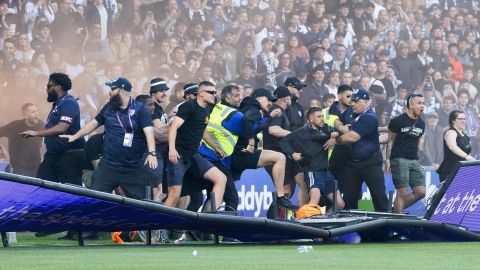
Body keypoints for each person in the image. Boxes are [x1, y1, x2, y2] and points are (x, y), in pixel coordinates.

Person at [60, 77, 158, 200]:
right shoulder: (109, 107)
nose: (109, 92)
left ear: (122, 91)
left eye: (112, 89)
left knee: (142, 204)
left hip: (132, 168)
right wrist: (75, 136)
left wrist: (152, 153)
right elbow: (94, 123)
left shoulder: (140, 109)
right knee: (95, 199)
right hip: (109, 166)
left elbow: (149, 131)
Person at [231, 88, 298, 209]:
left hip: (236, 154)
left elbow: (251, 125)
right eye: (268, 100)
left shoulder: (248, 107)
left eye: (272, 101)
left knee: (230, 197)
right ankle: (280, 196)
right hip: (241, 153)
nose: (270, 103)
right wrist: (251, 142)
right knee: (279, 157)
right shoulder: (253, 108)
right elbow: (246, 121)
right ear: (258, 98)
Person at [165, 81, 226, 211]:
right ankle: (156, 228)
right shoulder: (189, 107)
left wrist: (215, 147)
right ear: (201, 93)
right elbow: (173, 126)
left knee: (221, 179)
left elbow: (202, 129)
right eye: (211, 92)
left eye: (215, 92)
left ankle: (204, 224)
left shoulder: (208, 109)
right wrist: (172, 149)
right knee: (174, 195)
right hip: (179, 155)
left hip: (193, 155)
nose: (214, 95)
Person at [19, 73, 85, 185]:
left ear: (57, 87)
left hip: (69, 155)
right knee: (41, 185)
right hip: (53, 155)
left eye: (49, 86)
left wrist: (35, 133)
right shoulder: (58, 104)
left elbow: (62, 127)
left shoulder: (69, 102)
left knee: (71, 192)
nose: (46, 89)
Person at [279, 107, 344, 212]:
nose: (322, 119)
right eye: (319, 117)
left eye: (322, 116)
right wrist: (293, 154)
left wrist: (334, 137)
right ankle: (304, 222)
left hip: (326, 172)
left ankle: (324, 224)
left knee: (340, 204)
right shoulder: (301, 132)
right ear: (310, 120)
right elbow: (283, 142)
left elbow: (339, 132)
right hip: (312, 171)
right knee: (314, 200)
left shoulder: (327, 129)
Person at [336, 89, 388, 212]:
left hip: (371, 163)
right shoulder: (350, 110)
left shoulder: (370, 117)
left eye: (356, 101)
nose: (352, 103)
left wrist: (335, 140)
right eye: (352, 100)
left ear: (366, 102)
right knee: (349, 199)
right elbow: (337, 120)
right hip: (352, 163)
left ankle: (384, 229)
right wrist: (341, 126)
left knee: (379, 198)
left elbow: (351, 137)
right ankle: (349, 230)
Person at [385, 93, 426, 213]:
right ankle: (398, 216)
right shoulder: (397, 121)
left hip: (414, 159)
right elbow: (390, 141)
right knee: (402, 192)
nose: (422, 106)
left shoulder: (421, 124)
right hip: (399, 159)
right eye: (419, 103)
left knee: (421, 192)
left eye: (423, 103)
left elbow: (417, 142)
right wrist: (388, 160)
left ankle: (395, 211)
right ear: (411, 105)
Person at [0, 103, 44, 177]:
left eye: (37, 111)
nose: (37, 114)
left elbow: (40, 142)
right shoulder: (14, 126)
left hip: (36, 165)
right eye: (33, 112)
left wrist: (41, 156)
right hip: (19, 167)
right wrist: (2, 148)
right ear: (26, 116)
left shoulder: (41, 124)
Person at [437, 110, 476, 182]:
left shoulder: (465, 136)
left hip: (462, 171)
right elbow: (452, 147)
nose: (463, 121)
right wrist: (467, 157)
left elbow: (468, 153)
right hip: (450, 170)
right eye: (460, 119)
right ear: (453, 120)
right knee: (449, 193)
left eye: (464, 119)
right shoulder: (450, 132)